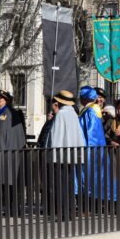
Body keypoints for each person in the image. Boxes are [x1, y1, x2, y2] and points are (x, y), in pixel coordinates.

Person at [0, 89, 27, 217]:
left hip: (8, 153)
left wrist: (13, 152)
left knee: (9, 182)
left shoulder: (13, 114)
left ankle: (11, 209)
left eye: (0, 98)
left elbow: (19, 136)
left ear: (6, 100)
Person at [45, 90, 85, 220]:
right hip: (71, 155)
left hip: (60, 156)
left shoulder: (61, 114)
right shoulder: (73, 113)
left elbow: (55, 136)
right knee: (68, 184)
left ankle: (62, 212)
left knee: (59, 184)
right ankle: (70, 211)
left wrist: (51, 154)